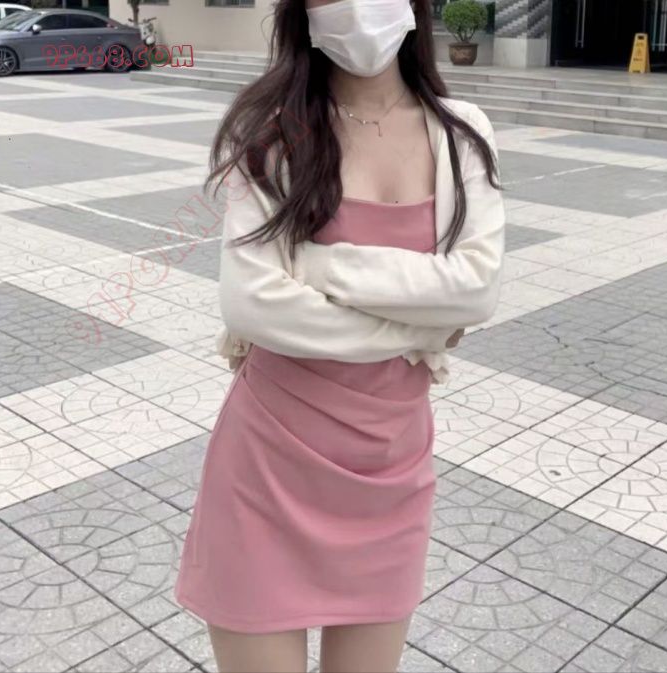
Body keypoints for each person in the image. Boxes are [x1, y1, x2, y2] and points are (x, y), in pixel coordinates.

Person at [174, 1, 505, 671]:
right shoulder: (272, 134)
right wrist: (421, 327)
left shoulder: (462, 133)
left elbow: (476, 289)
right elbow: (253, 306)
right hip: (267, 470)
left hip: (392, 473)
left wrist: (320, 267)